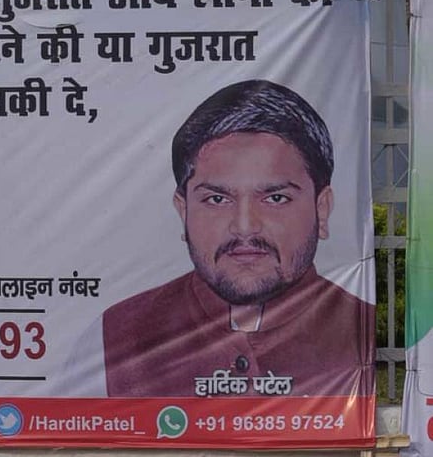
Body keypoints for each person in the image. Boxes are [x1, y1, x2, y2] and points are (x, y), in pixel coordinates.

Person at [97, 80, 374, 398]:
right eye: (217, 199)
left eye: (275, 198)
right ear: (183, 211)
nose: (244, 227)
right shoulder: (117, 335)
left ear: (321, 210)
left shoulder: (361, 330)